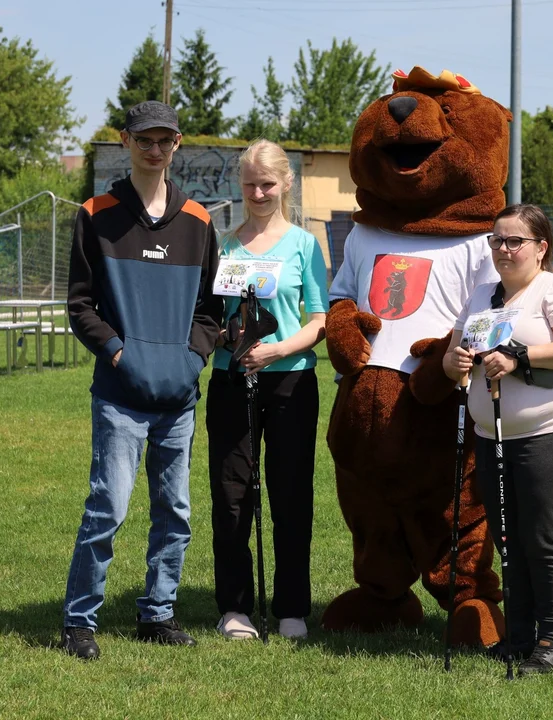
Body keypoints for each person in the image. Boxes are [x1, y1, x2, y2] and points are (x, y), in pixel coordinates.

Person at [60, 101, 224, 660]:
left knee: (174, 510)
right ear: (125, 141)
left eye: (165, 141)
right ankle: (80, 622)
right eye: (144, 140)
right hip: (119, 394)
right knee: (109, 507)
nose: (155, 150)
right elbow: (80, 305)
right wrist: (117, 353)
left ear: (177, 144)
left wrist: (190, 361)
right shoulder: (96, 213)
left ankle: (158, 613)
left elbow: (211, 311)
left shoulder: (199, 222)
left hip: (178, 396)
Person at [443, 203, 553, 676]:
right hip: (491, 436)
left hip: (551, 434)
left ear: (541, 247)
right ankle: (521, 636)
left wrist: (518, 357)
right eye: (496, 240)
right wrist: (458, 364)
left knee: (542, 540)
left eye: (514, 241)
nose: (503, 250)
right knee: (509, 540)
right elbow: (450, 356)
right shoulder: (482, 296)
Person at [207, 140, 328, 641]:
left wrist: (276, 350)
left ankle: (291, 607)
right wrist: (223, 338)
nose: (258, 193)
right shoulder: (222, 244)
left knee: (290, 494)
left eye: (267, 184)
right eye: (250, 183)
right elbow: (209, 317)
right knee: (231, 496)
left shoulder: (304, 245)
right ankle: (234, 607)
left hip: (291, 383)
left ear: (286, 184)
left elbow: (320, 320)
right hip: (231, 381)